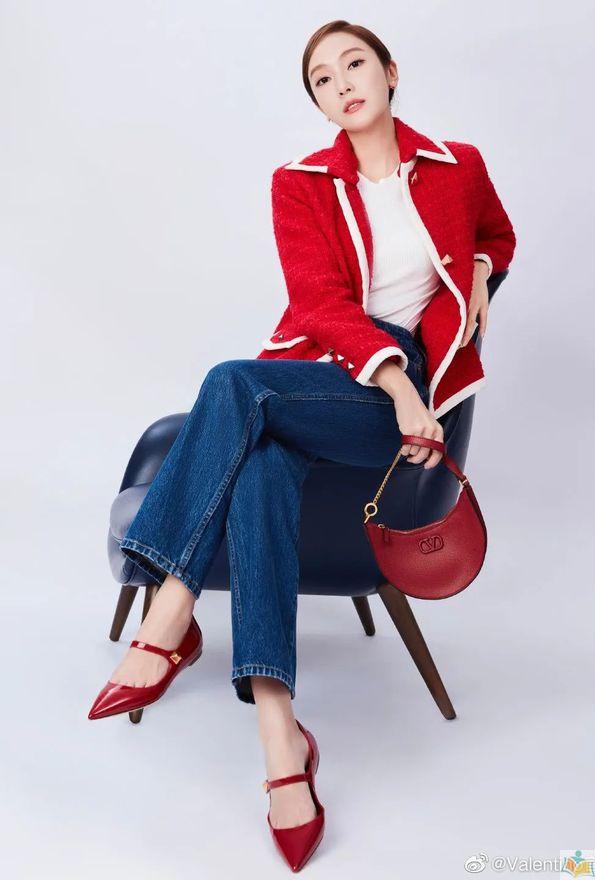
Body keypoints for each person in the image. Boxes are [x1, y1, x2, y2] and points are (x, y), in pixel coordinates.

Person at [88, 18, 516, 873]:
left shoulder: (457, 165)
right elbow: (318, 304)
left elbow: (496, 236)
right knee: (259, 454)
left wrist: (477, 273)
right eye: (323, 78)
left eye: (355, 64)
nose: (343, 83)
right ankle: (281, 739)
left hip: (405, 400)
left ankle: (170, 611)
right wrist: (390, 381)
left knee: (231, 384)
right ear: (318, 101)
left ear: (390, 72)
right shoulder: (300, 184)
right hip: (333, 377)